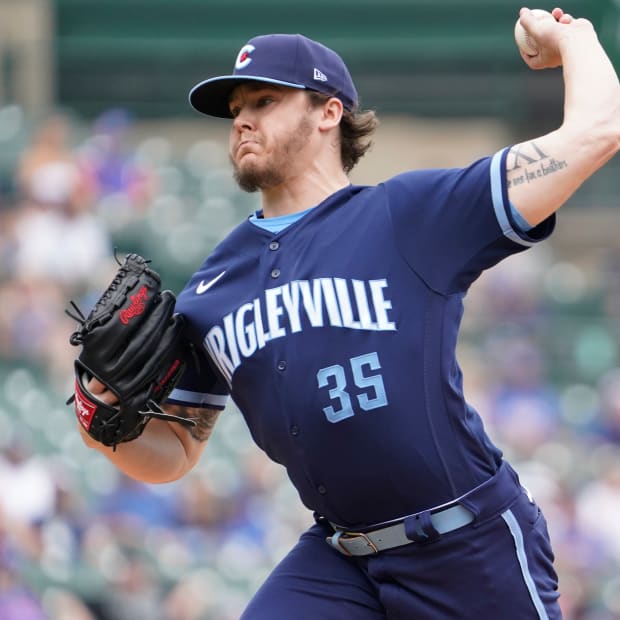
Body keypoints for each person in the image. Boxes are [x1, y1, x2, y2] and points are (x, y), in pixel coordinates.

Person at [76, 7, 619, 619]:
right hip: (340, 558)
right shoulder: (213, 285)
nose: (243, 121)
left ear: (329, 112)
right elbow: (176, 449)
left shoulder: (408, 217)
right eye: (235, 111)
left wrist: (575, 40)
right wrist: (101, 424)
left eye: (264, 101)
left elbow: (597, 131)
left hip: (467, 545)